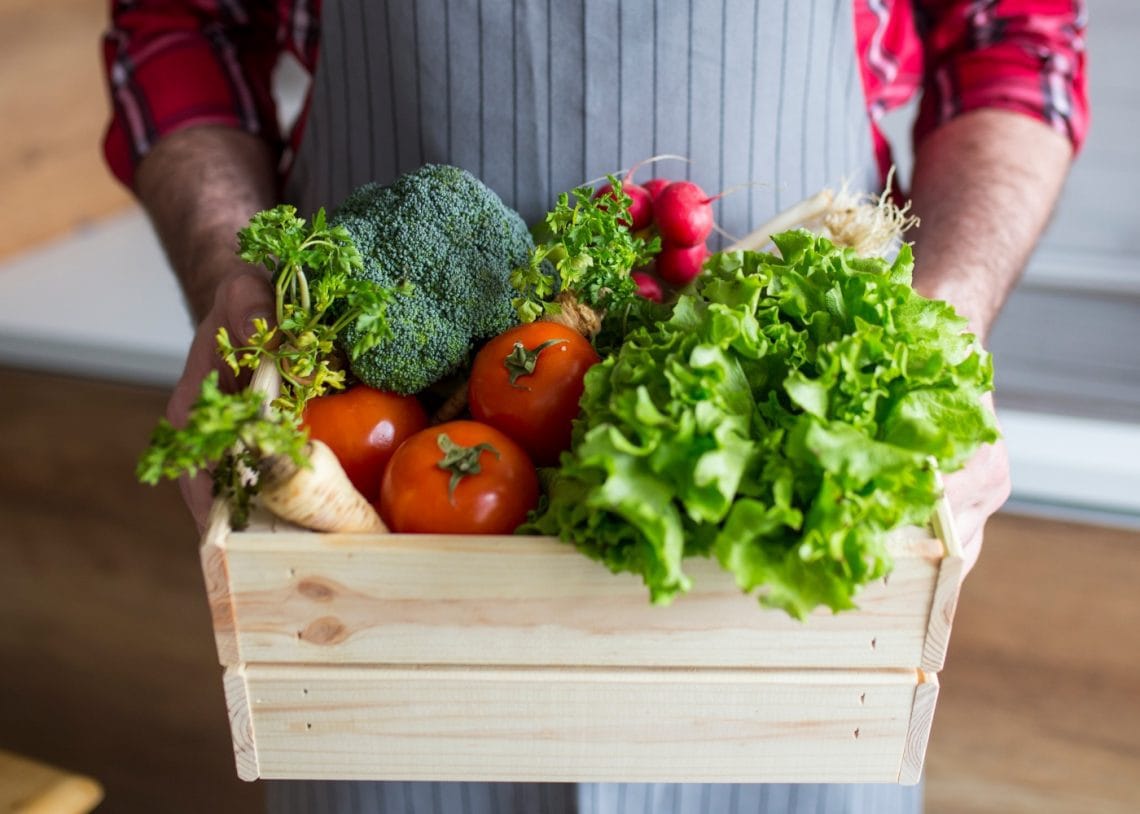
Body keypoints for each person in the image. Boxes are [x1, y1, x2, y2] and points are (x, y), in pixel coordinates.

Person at [102, 2, 1087, 812]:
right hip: (378, 564)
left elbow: (1013, 40)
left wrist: (942, 326)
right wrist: (231, 270)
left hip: (773, 593)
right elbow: (179, 24)